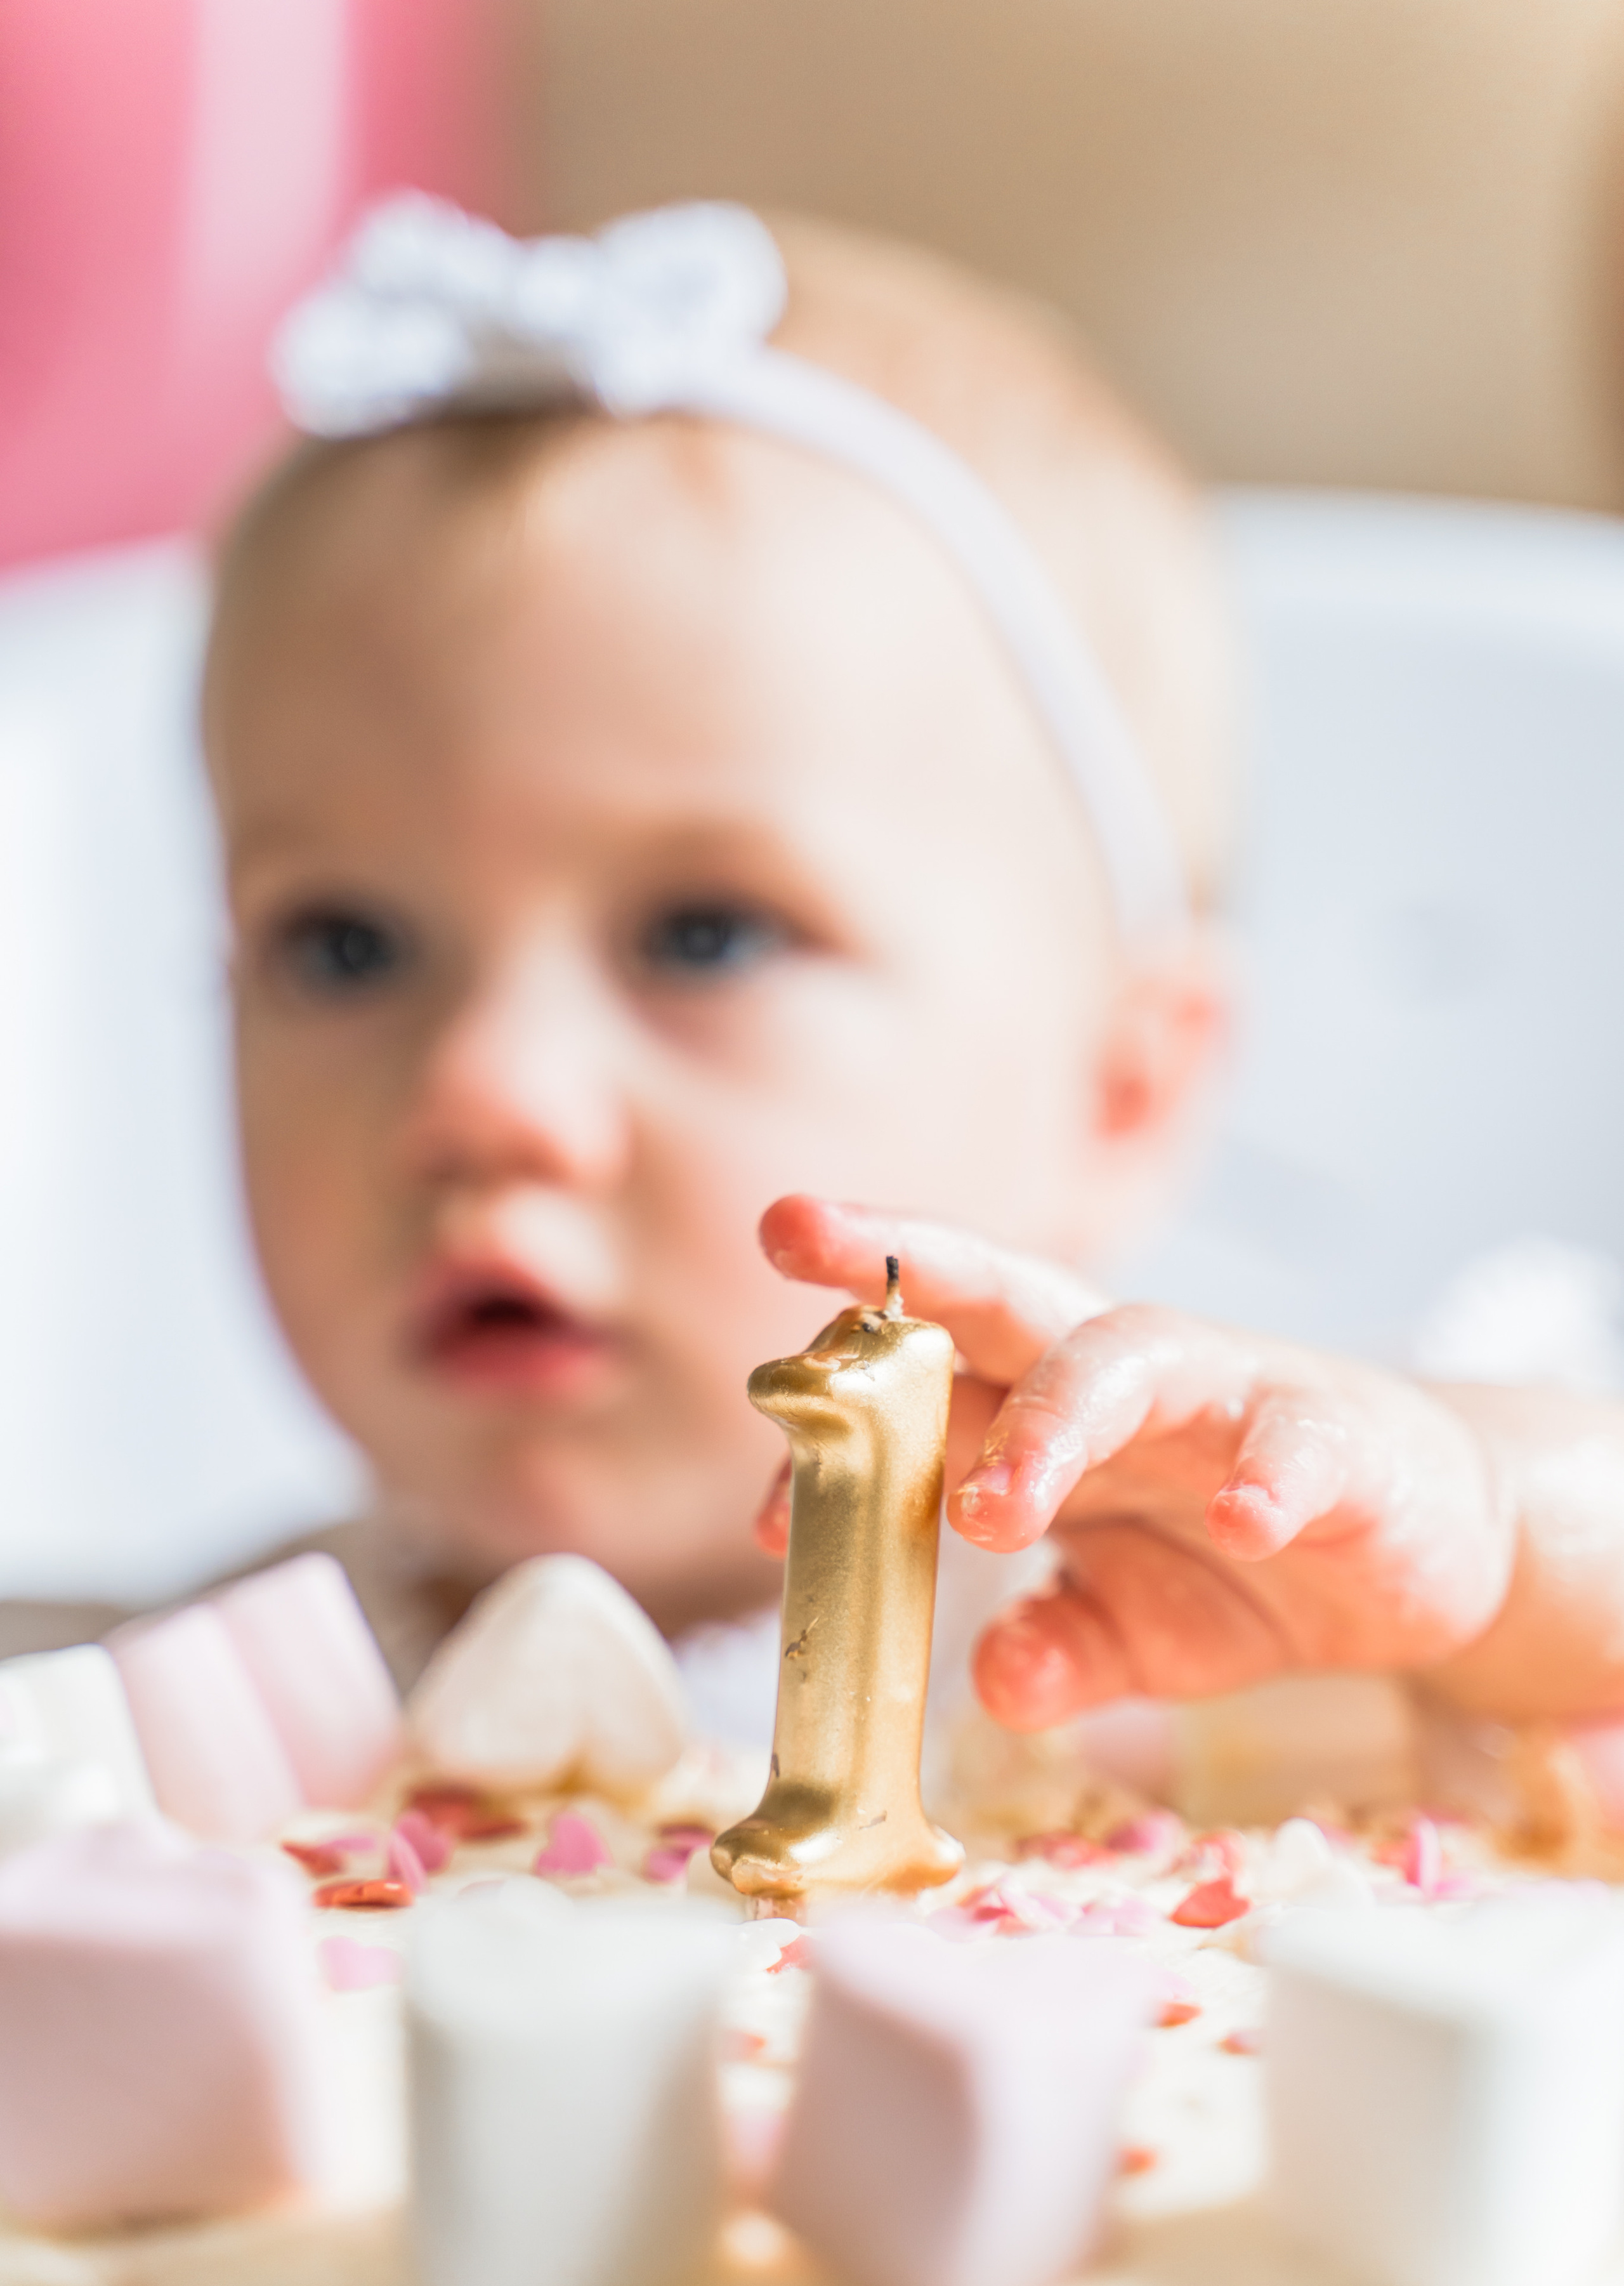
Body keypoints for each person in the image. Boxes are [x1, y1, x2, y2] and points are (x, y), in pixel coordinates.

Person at [18, 197, 1624, 1761]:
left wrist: (1489, 1539)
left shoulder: (1255, 1581)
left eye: (702, 935)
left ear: (1122, 1091)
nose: (481, 1091)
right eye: (343, 946)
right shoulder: (190, 1701)